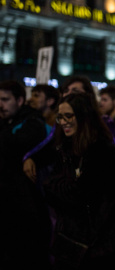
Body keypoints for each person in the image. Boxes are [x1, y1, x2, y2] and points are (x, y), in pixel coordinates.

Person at [38, 93, 115, 269]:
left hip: (98, 246)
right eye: (60, 117)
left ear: (84, 115)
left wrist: (55, 187)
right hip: (73, 241)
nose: (63, 122)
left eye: (69, 115)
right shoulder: (65, 147)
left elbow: (81, 195)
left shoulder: (101, 149)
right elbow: (55, 188)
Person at [0, 80, 52, 269]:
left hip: (25, 210)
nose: (1, 105)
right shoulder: (8, 123)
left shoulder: (32, 123)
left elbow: (13, 148)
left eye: (6, 99)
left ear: (20, 100)